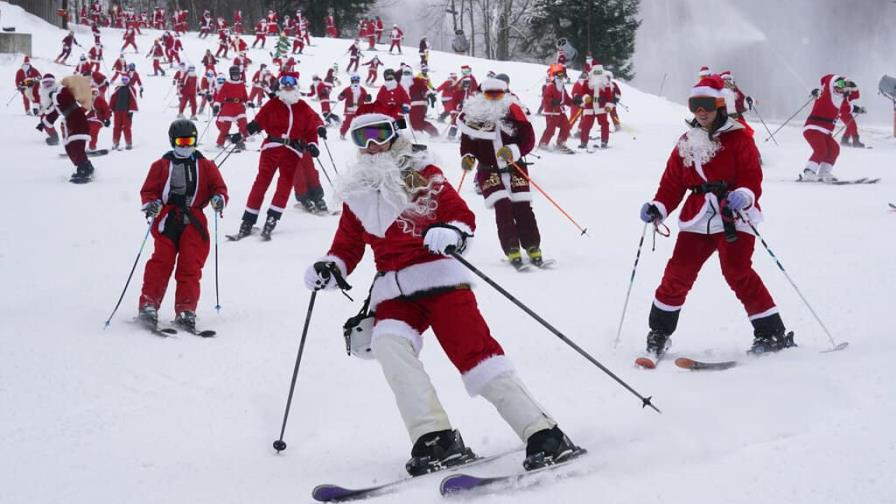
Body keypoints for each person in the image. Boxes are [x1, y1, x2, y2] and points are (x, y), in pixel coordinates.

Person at [303, 105, 581, 474]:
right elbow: (348, 245)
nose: (372, 146)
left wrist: (450, 231)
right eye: (362, 138)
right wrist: (332, 265)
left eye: (379, 134)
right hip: (394, 290)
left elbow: (460, 216)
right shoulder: (357, 193)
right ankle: (434, 437)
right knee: (388, 344)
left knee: (476, 356)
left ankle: (542, 431)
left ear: (395, 133)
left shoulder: (419, 172)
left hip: (439, 278)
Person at [638, 76, 794, 360]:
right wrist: (658, 207)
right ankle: (659, 332)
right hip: (696, 218)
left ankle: (771, 332)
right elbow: (672, 183)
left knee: (737, 271)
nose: (701, 111)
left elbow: (751, 176)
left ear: (720, 105)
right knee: (677, 274)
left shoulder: (739, 138)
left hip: (732, 215)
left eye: (707, 104)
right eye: (695, 105)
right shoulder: (687, 141)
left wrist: (744, 195)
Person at [137, 119, 228, 332]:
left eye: (190, 141)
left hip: (194, 222)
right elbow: (148, 191)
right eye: (181, 141)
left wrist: (219, 199)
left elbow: (219, 187)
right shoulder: (160, 165)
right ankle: (149, 304)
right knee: (161, 262)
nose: (186, 146)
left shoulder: (206, 165)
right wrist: (152, 204)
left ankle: (186, 309)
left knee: (191, 266)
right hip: (168, 219)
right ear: (173, 141)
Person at [459, 76, 544, 268]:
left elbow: (528, 140)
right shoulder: (473, 116)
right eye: (490, 94)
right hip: (488, 170)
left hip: (515, 166)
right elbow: (467, 143)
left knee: (523, 206)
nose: (494, 98)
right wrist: (468, 157)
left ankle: (532, 245)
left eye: (499, 94)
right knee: (503, 205)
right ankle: (511, 248)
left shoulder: (515, 111)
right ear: (482, 95)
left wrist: (514, 151)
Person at [228, 72, 323, 240]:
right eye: (284, 83)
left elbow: (310, 129)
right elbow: (257, 123)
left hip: (292, 151)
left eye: (291, 83)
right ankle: (248, 221)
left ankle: (273, 218)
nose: (288, 86)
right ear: (280, 86)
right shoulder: (272, 104)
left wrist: (312, 144)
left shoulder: (302, 107)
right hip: (272, 147)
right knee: (261, 183)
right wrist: (241, 134)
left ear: (296, 86)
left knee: (285, 185)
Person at [40, 74, 95, 183]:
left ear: (54, 82)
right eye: (45, 83)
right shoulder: (54, 95)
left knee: (76, 145)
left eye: (49, 83)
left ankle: (84, 169)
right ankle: (85, 167)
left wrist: (54, 96)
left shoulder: (61, 90)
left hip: (77, 119)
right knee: (69, 147)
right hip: (71, 121)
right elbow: (54, 112)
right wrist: (45, 123)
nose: (47, 85)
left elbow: (66, 99)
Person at [800, 75, 849, 182]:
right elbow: (818, 93)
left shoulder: (840, 100)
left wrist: (858, 109)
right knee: (821, 150)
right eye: (839, 85)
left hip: (825, 132)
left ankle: (824, 172)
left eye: (844, 86)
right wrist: (815, 92)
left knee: (834, 148)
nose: (841, 89)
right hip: (813, 128)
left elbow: (847, 107)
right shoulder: (825, 94)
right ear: (832, 85)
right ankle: (809, 172)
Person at [539, 64, 574, 153]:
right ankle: (543, 143)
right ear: (554, 77)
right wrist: (552, 101)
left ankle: (561, 142)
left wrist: (575, 102)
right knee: (551, 129)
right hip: (552, 112)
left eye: (562, 76)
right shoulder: (550, 87)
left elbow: (566, 99)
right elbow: (546, 97)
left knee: (566, 126)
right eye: (559, 76)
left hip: (560, 112)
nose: (561, 78)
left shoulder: (562, 88)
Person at [212, 66, 249, 149]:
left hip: (239, 107)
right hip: (229, 107)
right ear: (231, 75)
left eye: (237, 75)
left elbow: (245, 95)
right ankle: (220, 143)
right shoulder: (227, 84)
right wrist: (217, 105)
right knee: (226, 126)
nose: (236, 77)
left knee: (243, 124)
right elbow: (221, 95)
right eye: (234, 75)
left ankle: (240, 142)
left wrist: (248, 102)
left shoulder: (241, 83)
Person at [109, 74, 138, 150]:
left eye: (126, 80)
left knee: (126, 128)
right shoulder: (118, 88)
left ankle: (128, 143)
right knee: (116, 127)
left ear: (128, 80)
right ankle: (115, 142)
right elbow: (113, 99)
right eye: (123, 80)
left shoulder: (131, 89)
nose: (124, 81)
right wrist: (110, 109)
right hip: (117, 111)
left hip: (126, 112)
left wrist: (131, 111)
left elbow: (133, 100)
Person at [337, 74, 370, 139]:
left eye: (357, 81)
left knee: (361, 123)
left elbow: (366, 100)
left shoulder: (362, 90)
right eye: (354, 81)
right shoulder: (347, 89)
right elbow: (340, 98)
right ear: (351, 81)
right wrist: (341, 95)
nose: (355, 82)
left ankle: (362, 136)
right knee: (347, 123)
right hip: (350, 110)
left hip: (359, 110)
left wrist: (368, 98)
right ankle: (342, 133)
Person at [838, 80, 864, 148]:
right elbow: (842, 105)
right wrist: (856, 109)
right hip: (843, 111)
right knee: (852, 125)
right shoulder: (839, 93)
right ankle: (856, 142)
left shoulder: (847, 93)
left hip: (846, 111)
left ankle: (845, 141)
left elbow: (856, 96)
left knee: (850, 125)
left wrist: (854, 87)